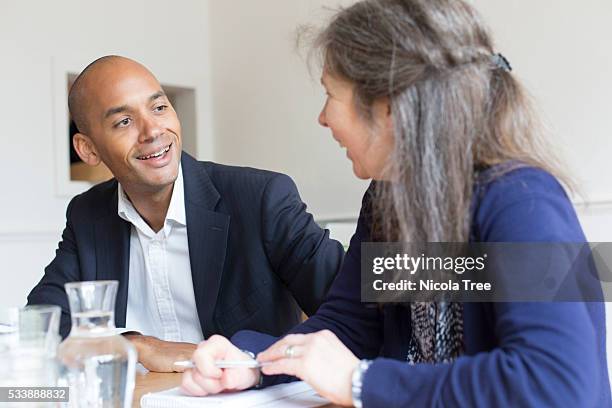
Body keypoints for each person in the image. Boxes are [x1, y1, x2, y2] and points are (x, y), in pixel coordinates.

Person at [180, 0, 611, 406]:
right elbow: (351, 327)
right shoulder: (389, 198)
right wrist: (253, 363)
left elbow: (555, 383)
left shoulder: (524, 202)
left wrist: (359, 383)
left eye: (330, 94)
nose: (323, 117)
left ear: (390, 107)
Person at [27, 56, 344, 373]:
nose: (152, 131)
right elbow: (40, 325)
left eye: (159, 107)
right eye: (124, 121)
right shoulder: (89, 215)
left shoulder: (261, 198)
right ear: (88, 149)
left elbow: (356, 298)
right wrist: (136, 345)